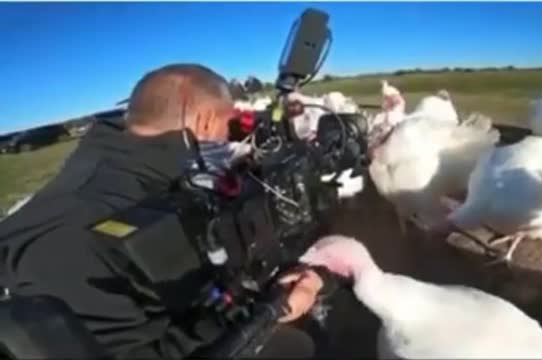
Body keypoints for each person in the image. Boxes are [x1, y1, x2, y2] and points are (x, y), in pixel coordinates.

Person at [0, 63, 339, 358]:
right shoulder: (84, 238)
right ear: (206, 121)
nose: (227, 140)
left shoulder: (114, 158)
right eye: (227, 128)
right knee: (299, 347)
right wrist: (271, 308)